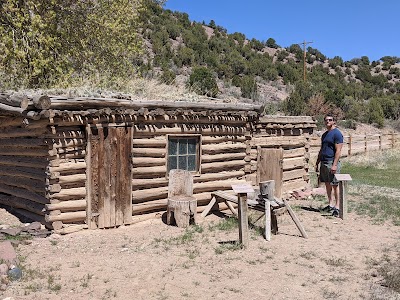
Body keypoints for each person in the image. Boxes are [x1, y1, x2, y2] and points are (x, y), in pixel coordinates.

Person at [315, 114, 343, 217]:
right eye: (326, 120)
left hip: (332, 162)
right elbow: (322, 149)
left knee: (335, 185)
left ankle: (337, 207)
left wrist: (335, 165)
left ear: (334, 121)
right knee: (327, 184)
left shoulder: (337, 134)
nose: (328, 121)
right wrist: (318, 162)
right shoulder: (325, 135)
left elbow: (338, 150)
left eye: (330, 120)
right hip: (324, 162)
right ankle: (330, 204)